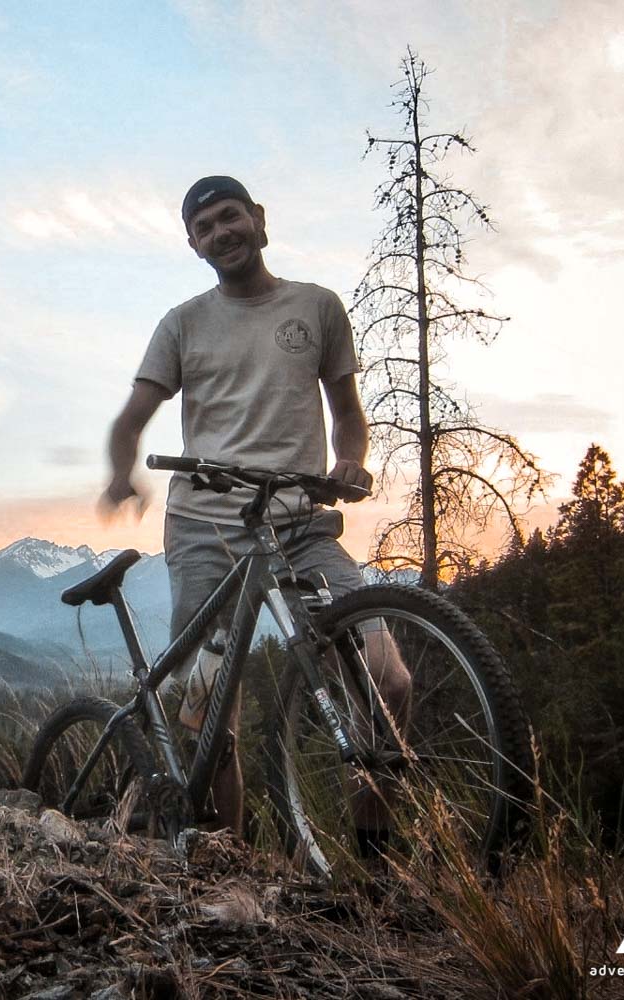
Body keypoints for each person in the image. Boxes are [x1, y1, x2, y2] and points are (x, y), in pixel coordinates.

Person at [98, 176, 409, 851]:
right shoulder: (182, 323)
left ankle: (376, 869)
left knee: (386, 678)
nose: (221, 233)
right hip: (205, 529)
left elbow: (348, 417)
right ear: (192, 244)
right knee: (210, 712)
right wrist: (122, 474)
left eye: (229, 217)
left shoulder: (317, 308)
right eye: (204, 227)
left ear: (259, 220)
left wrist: (351, 461)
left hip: (300, 525)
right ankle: (226, 863)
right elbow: (131, 422)